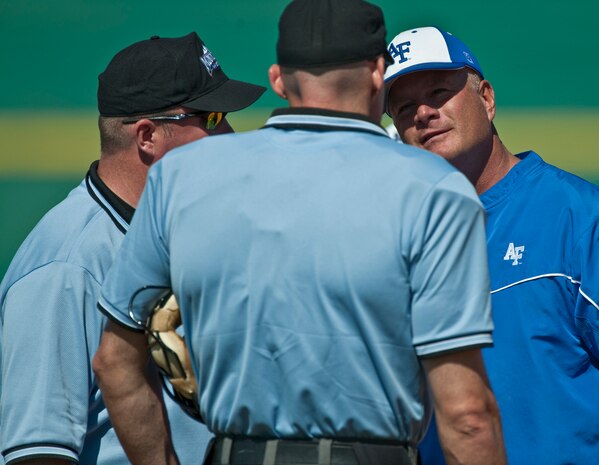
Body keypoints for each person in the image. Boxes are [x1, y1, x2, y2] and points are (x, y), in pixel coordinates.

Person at [91, 2, 508, 465]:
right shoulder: (435, 189)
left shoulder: (181, 177)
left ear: (278, 80)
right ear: (377, 73)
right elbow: (466, 413)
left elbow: (114, 363)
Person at [384, 26, 599, 465]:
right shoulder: (403, 243)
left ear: (487, 99)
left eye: (439, 91)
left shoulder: (582, 217)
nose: (423, 113)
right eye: (403, 107)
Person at [0, 32, 265, 465]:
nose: (231, 135)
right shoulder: (67, 267)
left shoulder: (180, 234)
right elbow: (37, 453)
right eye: (213, 119)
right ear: (147, 136)